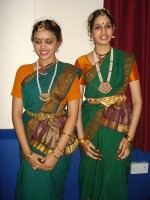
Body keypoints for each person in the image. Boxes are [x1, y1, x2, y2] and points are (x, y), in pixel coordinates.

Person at [75, 8, 142, 200]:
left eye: (107, 26)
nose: (103, 31)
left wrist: (128, 139)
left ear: (114, 30)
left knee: (114, 178)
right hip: (89, 129)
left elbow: (138, 101)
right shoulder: (81, 63)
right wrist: (82, 140)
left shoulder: (127, 59)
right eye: (98, 27)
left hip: (118, 128)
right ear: (91, 32)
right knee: (89, 176)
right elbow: (76, 105)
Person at [11, 18, 81, 200]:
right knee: (28, 189)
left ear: (59, 43)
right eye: (37, 41)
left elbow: (73, 115)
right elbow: (16, 114)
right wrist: (28, 154)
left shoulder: (69, 72)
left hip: (59, 141)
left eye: (49, 41)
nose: (43, 46)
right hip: (29, 139)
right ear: (32, 43)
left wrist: (56, 155)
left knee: (54, 190)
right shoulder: (23, 71)